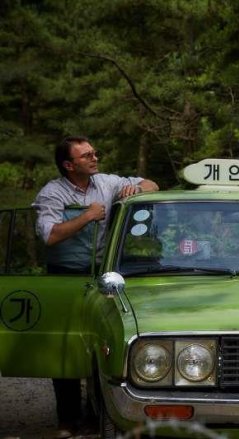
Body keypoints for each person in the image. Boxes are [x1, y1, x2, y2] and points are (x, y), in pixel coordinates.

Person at [32, 135, 159, 437]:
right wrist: (87, 216)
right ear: (69, 165)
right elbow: (49, 235)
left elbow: (153, 185)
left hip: (102, 274)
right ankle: (67, 420)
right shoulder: (52, 193)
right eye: (86, 155)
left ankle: (95, 416)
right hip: (65, 276)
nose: (94, 158)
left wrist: (136, 189)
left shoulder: (106, 182)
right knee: (66, 347)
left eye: (94, 153)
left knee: (100, 345)